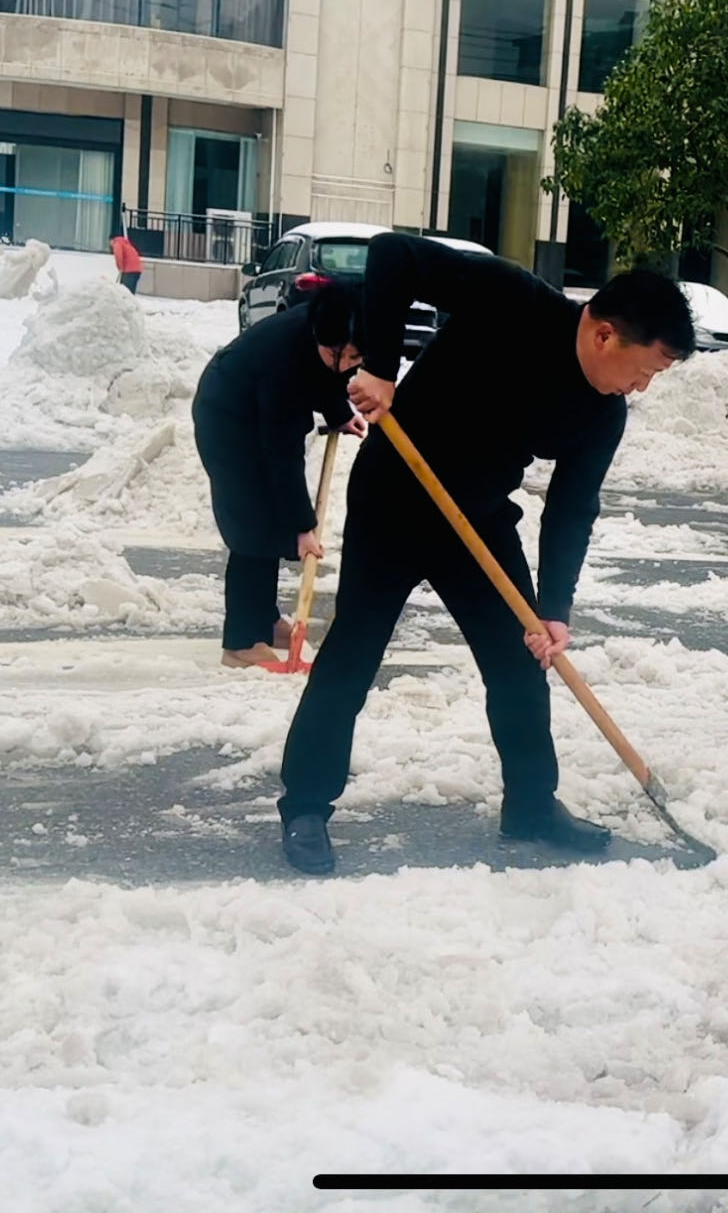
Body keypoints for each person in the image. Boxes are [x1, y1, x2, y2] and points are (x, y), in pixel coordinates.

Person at [276, 232, 694, 875]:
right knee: (353, 653)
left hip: (477, 518)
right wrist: (382, 367)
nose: (640, 387)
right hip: (396, 496)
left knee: (519, 662)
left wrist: (553, 610)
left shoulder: (603, 414)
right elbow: (393, 256)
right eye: (646, 370)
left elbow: (572, 507)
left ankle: (531, 806)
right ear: (606, 335)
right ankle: (305, 806)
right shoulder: (512, 298)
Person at [191, 286, 368, 670]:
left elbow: (326, 375)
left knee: (267, 520)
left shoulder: (327, 332)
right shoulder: (283, 360)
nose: (345, 365)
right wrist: (303, 527)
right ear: (319, 337)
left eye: (354, 357)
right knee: (253, 523)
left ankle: (265, 621)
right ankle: (241, 643)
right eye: (337, 354)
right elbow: (282, 453)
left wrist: (339, 413)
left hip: (257, 411)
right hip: (228, 419)